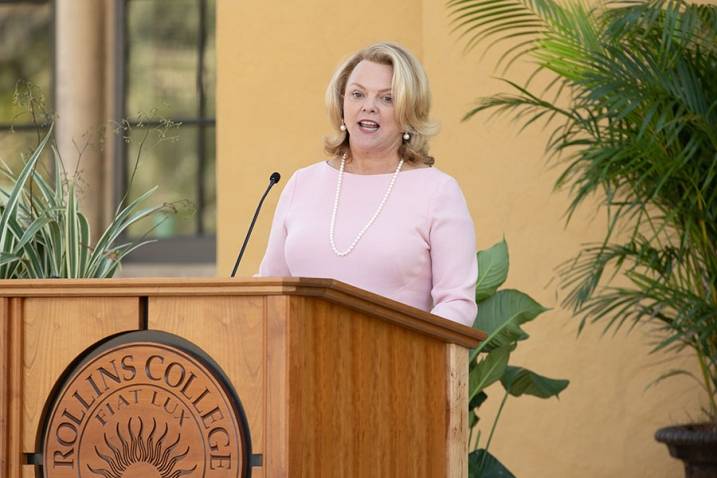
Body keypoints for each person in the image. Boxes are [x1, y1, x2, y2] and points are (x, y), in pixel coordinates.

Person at [258, 42, 477, 327]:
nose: (369, 107)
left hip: (394, 364)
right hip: (297, 364)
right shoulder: (302, 183)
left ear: (409, 111)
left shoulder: (438, 191)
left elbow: (456, 302)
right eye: (357, 94)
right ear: (342, 103)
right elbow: (269, 287)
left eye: (387, 98)